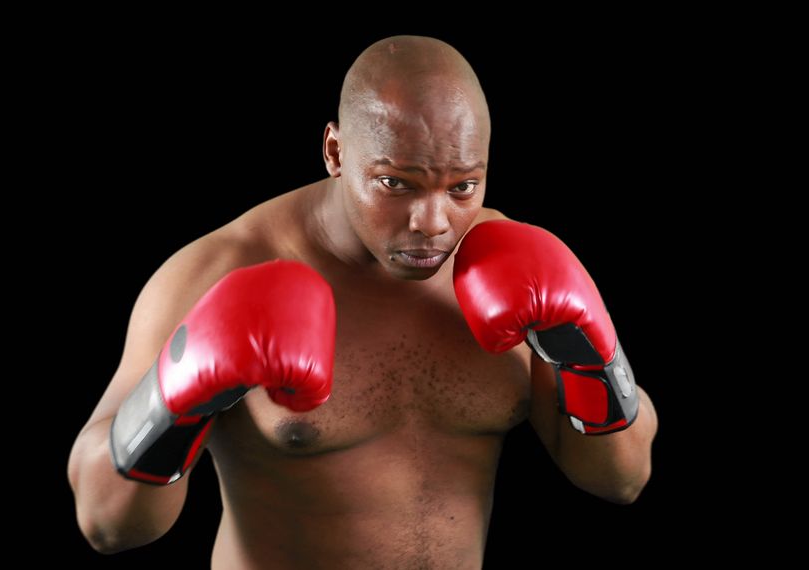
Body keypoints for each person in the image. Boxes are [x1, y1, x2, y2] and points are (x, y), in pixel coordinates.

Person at [67, 35, 658, 569]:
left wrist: (588, 357)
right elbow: (107, 525)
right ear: (335, 151)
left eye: (462, 187)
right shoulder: (219, 270)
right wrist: (176, 397)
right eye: (395, 183)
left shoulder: (526, 270)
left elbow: (621, 480)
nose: (432, 222)